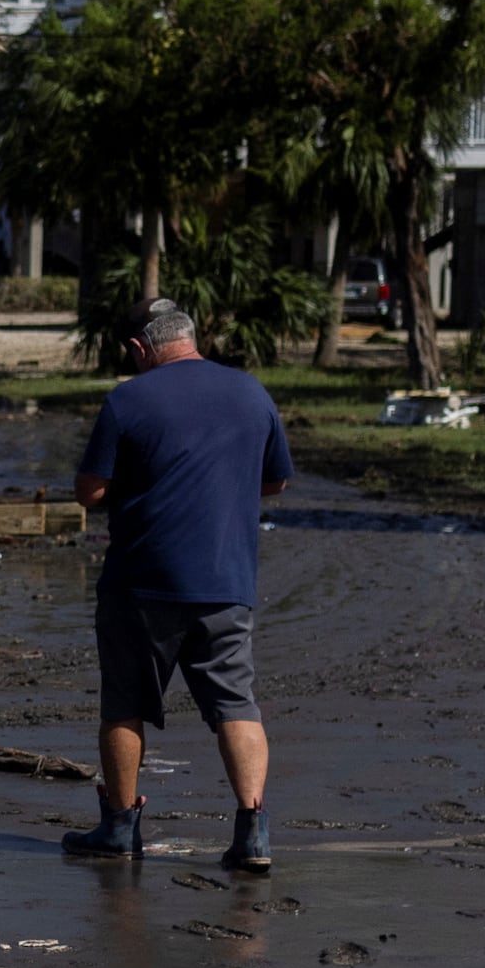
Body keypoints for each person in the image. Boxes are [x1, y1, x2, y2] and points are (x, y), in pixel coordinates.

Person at [63, 299, 291, 875]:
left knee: (125, 704)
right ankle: (253, 830)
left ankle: (119, 825)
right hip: (226, 579)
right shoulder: (251, 393)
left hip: (142, 581)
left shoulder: (128, 399)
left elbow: (89, 492)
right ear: (190, 336)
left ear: (140, 349)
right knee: (236, 703)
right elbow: (275, 481)